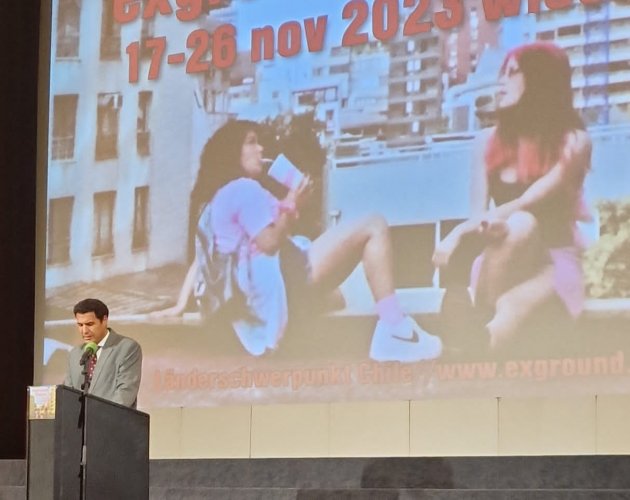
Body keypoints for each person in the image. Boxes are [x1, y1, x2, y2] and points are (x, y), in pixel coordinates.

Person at [155, 119, 442, 362]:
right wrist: (293, 201)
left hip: (263, 297)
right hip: (286, 276)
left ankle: (380, 326)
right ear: (232, 152)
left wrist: (181, 304)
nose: (260, 149)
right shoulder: (244, 189)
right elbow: (269, 242)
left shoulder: (219, 198)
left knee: (336, 298)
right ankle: (395, 329)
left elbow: (206, 259)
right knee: (373, 225)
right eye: (251, 142)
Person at [433, 42, 592, 353]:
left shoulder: (574, 142)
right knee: (516, 228)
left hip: (553, 265)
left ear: (540, 81)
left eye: (513, 73)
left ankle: (477, 341)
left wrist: (457, 234)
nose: (501, 82)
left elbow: (527, 201)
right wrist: (486, 229)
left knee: (521, 226)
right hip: (501, 258)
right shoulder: (486, 142)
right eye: (502, 73)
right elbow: (479, 216)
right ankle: (475, 338)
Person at [64, 298, 142, 408]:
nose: (84, 331)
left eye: (90, 324)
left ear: (104, 320)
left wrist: (97, 416)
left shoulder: (127, 348)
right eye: (80, 325)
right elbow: (67, 394)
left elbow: (125, 393)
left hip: (111, 417)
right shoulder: (75, 353)